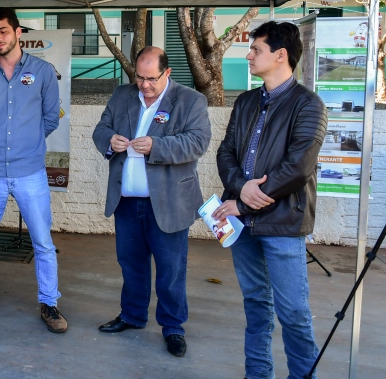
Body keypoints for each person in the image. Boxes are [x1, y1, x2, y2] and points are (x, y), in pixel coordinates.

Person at [214, 21, 326, 379]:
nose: (248, 55)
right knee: (256, 306)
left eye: (256, 49)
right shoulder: (246, 100)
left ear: (280, 55)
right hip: (243, 226)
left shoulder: (308, 105)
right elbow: (225, 152)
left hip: (283, 224)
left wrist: (244, 200)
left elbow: (299, 167)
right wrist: (240, 188)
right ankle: (257, 374)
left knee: (293, 312)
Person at [92, 47, 211, 357]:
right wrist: (110, 141)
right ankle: (132, 316)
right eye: (139, 77)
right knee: (131, 265)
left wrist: (156, 146)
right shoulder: (122, 95)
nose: (143, 85)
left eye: (150, 79)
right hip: (127, 201)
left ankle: (173, 327)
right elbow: (101, 129)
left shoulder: (190, 100)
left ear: (167, 73)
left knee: (171, 270)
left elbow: (198, 142)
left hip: (169, 202)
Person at [0, 8, 66, 333]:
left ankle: (50, 304)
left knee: (43, 243)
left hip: (30, 172)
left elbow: (51, 119)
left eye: (3, 32)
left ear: (18, 32)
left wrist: (27, 144)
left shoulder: (43, 72)